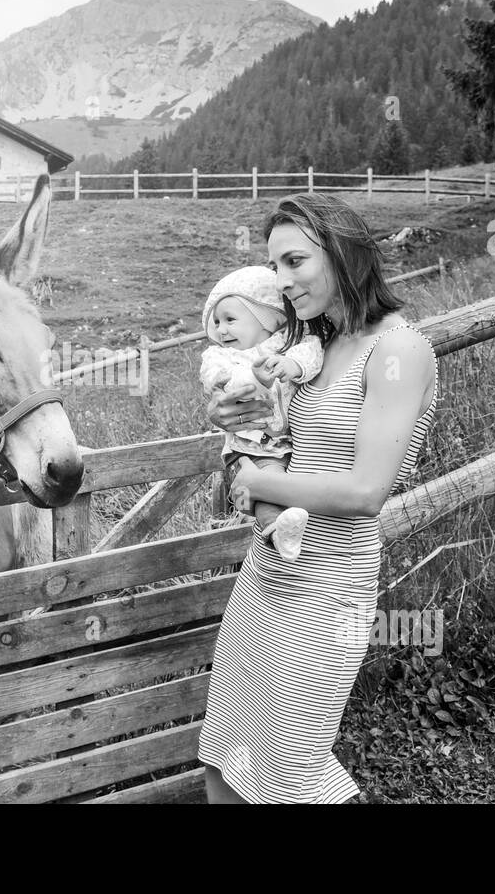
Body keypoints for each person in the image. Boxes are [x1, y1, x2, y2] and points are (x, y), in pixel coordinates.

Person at [196, 192, 440, 804]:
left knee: (291, 774)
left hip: (329, 588)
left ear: (341, 253)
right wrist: (234, 417)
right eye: (274, 266)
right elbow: (279, 439)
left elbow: (364, 492)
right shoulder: (316, 347)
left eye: (295, 262)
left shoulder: (399, 350)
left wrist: (254, 484)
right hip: (266, 576)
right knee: (224, 758)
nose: (282, 281)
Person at [198, 265, 325, 561]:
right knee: (265, 483)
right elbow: (218, 379)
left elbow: (312, 352)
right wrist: (252, 379)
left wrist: (293, 366)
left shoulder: (288, 345)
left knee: (281, 482)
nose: (221, 329)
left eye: (230, 319)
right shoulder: (222, 356)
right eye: (216, 322)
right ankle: (278, 534)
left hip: (292, 443)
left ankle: (285, 530)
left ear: (267, 320)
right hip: (251, 447)